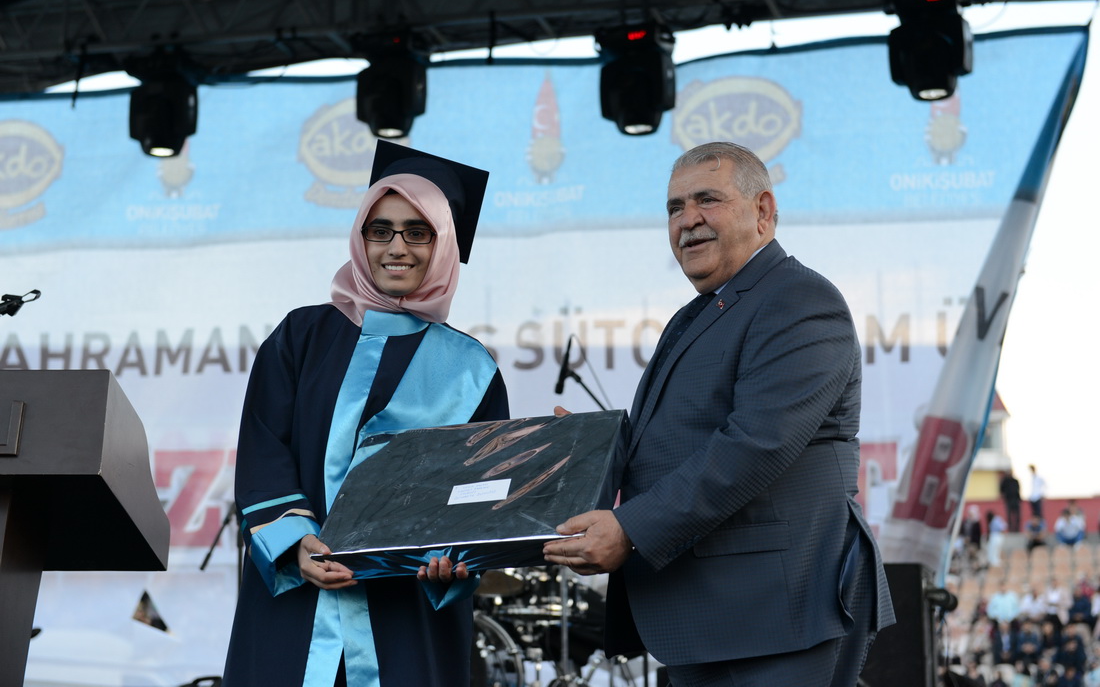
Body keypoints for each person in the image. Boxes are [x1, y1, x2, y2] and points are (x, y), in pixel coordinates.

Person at [542, 141, 894, 686]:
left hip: (776, 614)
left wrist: (630, 529)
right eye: (674, 208)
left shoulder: (799, 300)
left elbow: (755, 444)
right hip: (712, 613)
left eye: (707, 200)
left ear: (763, 211)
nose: (688, 220)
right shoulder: (699, 313)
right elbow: (677, 440)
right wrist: (588, 447)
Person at [221, 142, 509, 687]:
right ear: (360, 237)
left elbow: (478, 494)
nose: (397, 248)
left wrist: (452, 557)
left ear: (443, 243)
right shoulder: (301, 337)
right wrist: (295, 542)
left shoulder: (472, 369)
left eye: (418, 232)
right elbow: (263, 449)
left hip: (406, 617)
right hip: (295, 605)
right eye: (381, 230)